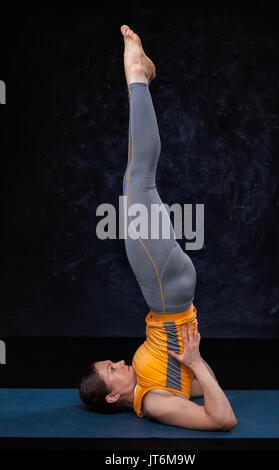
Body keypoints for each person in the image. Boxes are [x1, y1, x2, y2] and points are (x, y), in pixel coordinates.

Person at [79, 25, 237, 431]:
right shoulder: (152, 403)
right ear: (113, 395)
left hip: (171, 293)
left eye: (111, 362)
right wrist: (196, 362)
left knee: (137, 180)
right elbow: (223, 420)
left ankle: (140, 76)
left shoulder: (156, 384)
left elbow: (201, 388)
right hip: (168, 294)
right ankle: (137, 72)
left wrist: (194, 371)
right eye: (113, 369)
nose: (118, 361)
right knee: (138, 181)